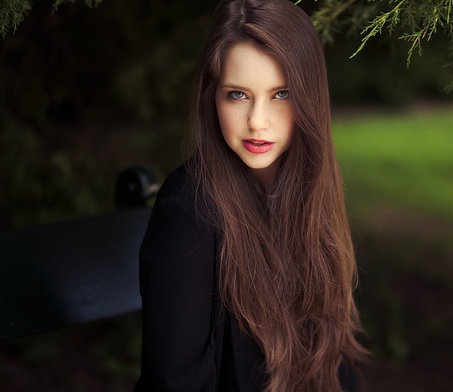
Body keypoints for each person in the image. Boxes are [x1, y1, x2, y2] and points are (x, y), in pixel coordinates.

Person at [134, 0, 368, 390]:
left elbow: (334, 365)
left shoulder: (307, 192)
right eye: (238, 95)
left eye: (281, 94)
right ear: (212, 96)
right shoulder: (188, 213)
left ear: (309, 97)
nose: (257, 121)